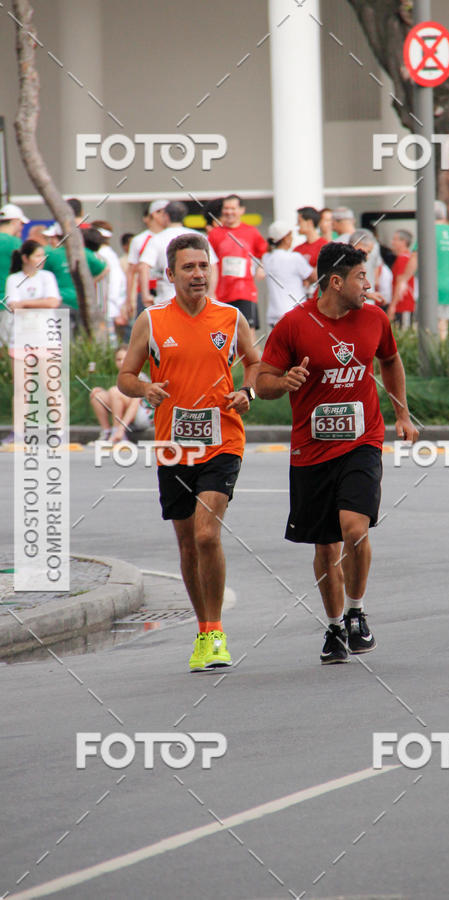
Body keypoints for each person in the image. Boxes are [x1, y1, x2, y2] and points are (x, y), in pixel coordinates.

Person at [257, 242, 418, 665]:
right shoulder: (294, 324)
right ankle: (333, 627)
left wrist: (402, 414)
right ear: (335, 282)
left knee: (354, 529)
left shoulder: (375, 318)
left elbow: (390, 360)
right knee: (326, 547)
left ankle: (356, 611)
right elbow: (262, 382)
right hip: (311, 451)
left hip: (363, 440)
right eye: (361, 277)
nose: (368, 284)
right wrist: (283, 382)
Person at [118, 233, 261, 671]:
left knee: (205, 535)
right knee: (186, 543)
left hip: (223, 441)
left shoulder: (231, 317)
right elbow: (126, 376)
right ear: (170, 273)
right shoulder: (152, 321)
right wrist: (145, 388)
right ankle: (203, 630)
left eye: (203, 266)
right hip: (173, 446)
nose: (198, 274)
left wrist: (247, 391)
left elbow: (255, 363)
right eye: (188, 267)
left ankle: (216, 632)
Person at [3, 240, 60, 444]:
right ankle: (19, 432)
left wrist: (25, 304)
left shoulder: (47, 277)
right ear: (25, 258)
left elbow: (53, 302)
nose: (41, 259)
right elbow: (13, 305)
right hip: (21, 339)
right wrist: (37, 304)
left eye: (42, 255)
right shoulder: (14, 279)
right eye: (37, 255)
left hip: (46, 338)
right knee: (22, 389)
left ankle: (58, 431)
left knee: (51, 386)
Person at [397, 201, 449, 340]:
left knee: (424, 327)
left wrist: (403, 280)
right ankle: (440, 353)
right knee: (443, 326)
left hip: (427, 288)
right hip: (448, 287)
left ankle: (427, 352)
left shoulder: (427, 232)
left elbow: (415, 257)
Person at [208, 194, 268, 340]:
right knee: (223, 334)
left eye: (233, 208)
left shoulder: (251, 232)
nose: (229, 212)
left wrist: (262, 267)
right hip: (221, 293)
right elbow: (209, 262)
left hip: (245, 291)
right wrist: (210, 291)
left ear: (241, 210)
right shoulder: (215, 234)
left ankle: (252, 356)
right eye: (226, 208)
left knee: (247, 333)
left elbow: (265, 252)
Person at [139, 200, 218, 307]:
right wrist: (211, 293)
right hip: (197, 299)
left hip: (166, 298)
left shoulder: (157, 239)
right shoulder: (199, 237)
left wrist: (145, 295)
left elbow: (144, 266)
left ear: (166, 216)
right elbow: (213, 266)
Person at [43, 222, 107, 332]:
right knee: (81, 336)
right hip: (82, 301)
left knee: (63, 337)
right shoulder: (84, 253)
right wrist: (90, 282)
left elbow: (45, 276)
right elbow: (104, 268)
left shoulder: (51, 254)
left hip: (61, 301)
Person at [89, 344, 153, 443]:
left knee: (114, 391)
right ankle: (107, 432)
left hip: (143, 417)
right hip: (129, 417)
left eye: (125, 359)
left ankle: (117, 432)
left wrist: (120, 429)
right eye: (118, 359)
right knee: (97, 396)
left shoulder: (139, 376)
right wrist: (101, 391)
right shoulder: (122, 376)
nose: (122, 362)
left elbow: (135, 403)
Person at [262, 221, 313, 328]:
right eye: (291, 235)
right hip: (295, 313)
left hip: (274, 316)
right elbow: (314, 277)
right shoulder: (294, 258)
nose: (292, 238)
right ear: (286, 238)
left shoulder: (266, 258)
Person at [126, 199, 168, 318]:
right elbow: (131, 271)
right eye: (164, 213)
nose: (167, 217)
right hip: (147, 292)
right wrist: (129, 300)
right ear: (155, 214)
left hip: (169, 290)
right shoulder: (139, 240)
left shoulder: (172, 235)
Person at [92, 221, 128, 339]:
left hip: (107, 308)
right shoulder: (105, 254)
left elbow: (115, 283)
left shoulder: (103, 255)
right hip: (108, 307)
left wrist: (117, 306)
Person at [0, 203, 29, 345]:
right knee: (6, 346)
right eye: (22, 224)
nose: (22, 227)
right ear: (15, 221)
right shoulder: (16, 244)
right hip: (7, 302)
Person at [349, 229, 392, 307]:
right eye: (367, 252)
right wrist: (368, 295)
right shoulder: (344, 264)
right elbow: (346, 289)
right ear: (357, 244)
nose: (367, 257)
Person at [295, 206, 327, 299]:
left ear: (309, 222)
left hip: (319, 298)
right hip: (300, 299)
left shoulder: (325, 246)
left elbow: (320, 275)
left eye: (299, 221)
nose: (297, 225)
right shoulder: (297, 250)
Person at [388, 229, 416, 329]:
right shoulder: (408, 257)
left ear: (403, 242)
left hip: (403, 305)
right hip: (404, 305)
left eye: (395, 240)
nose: (392, 242)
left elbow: (400, 283)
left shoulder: (403, 259)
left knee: (404, 332)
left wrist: (393, 306)